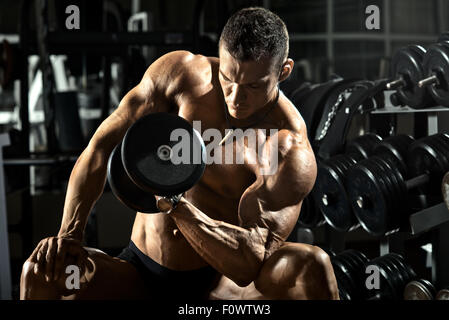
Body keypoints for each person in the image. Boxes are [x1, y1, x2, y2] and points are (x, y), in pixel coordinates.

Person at [20, 7, 339, 300]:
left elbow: (246, 263)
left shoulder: (286, 146)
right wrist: (69, 235)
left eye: (254, 86)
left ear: (284, 71)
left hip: (220, 285)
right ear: (219, 55)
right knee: (41, 272)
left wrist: (175, 205)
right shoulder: (182, 75)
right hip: (139, 270)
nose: (236, 98)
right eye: (228, 79)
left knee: (312, 266)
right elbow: (101, 147)